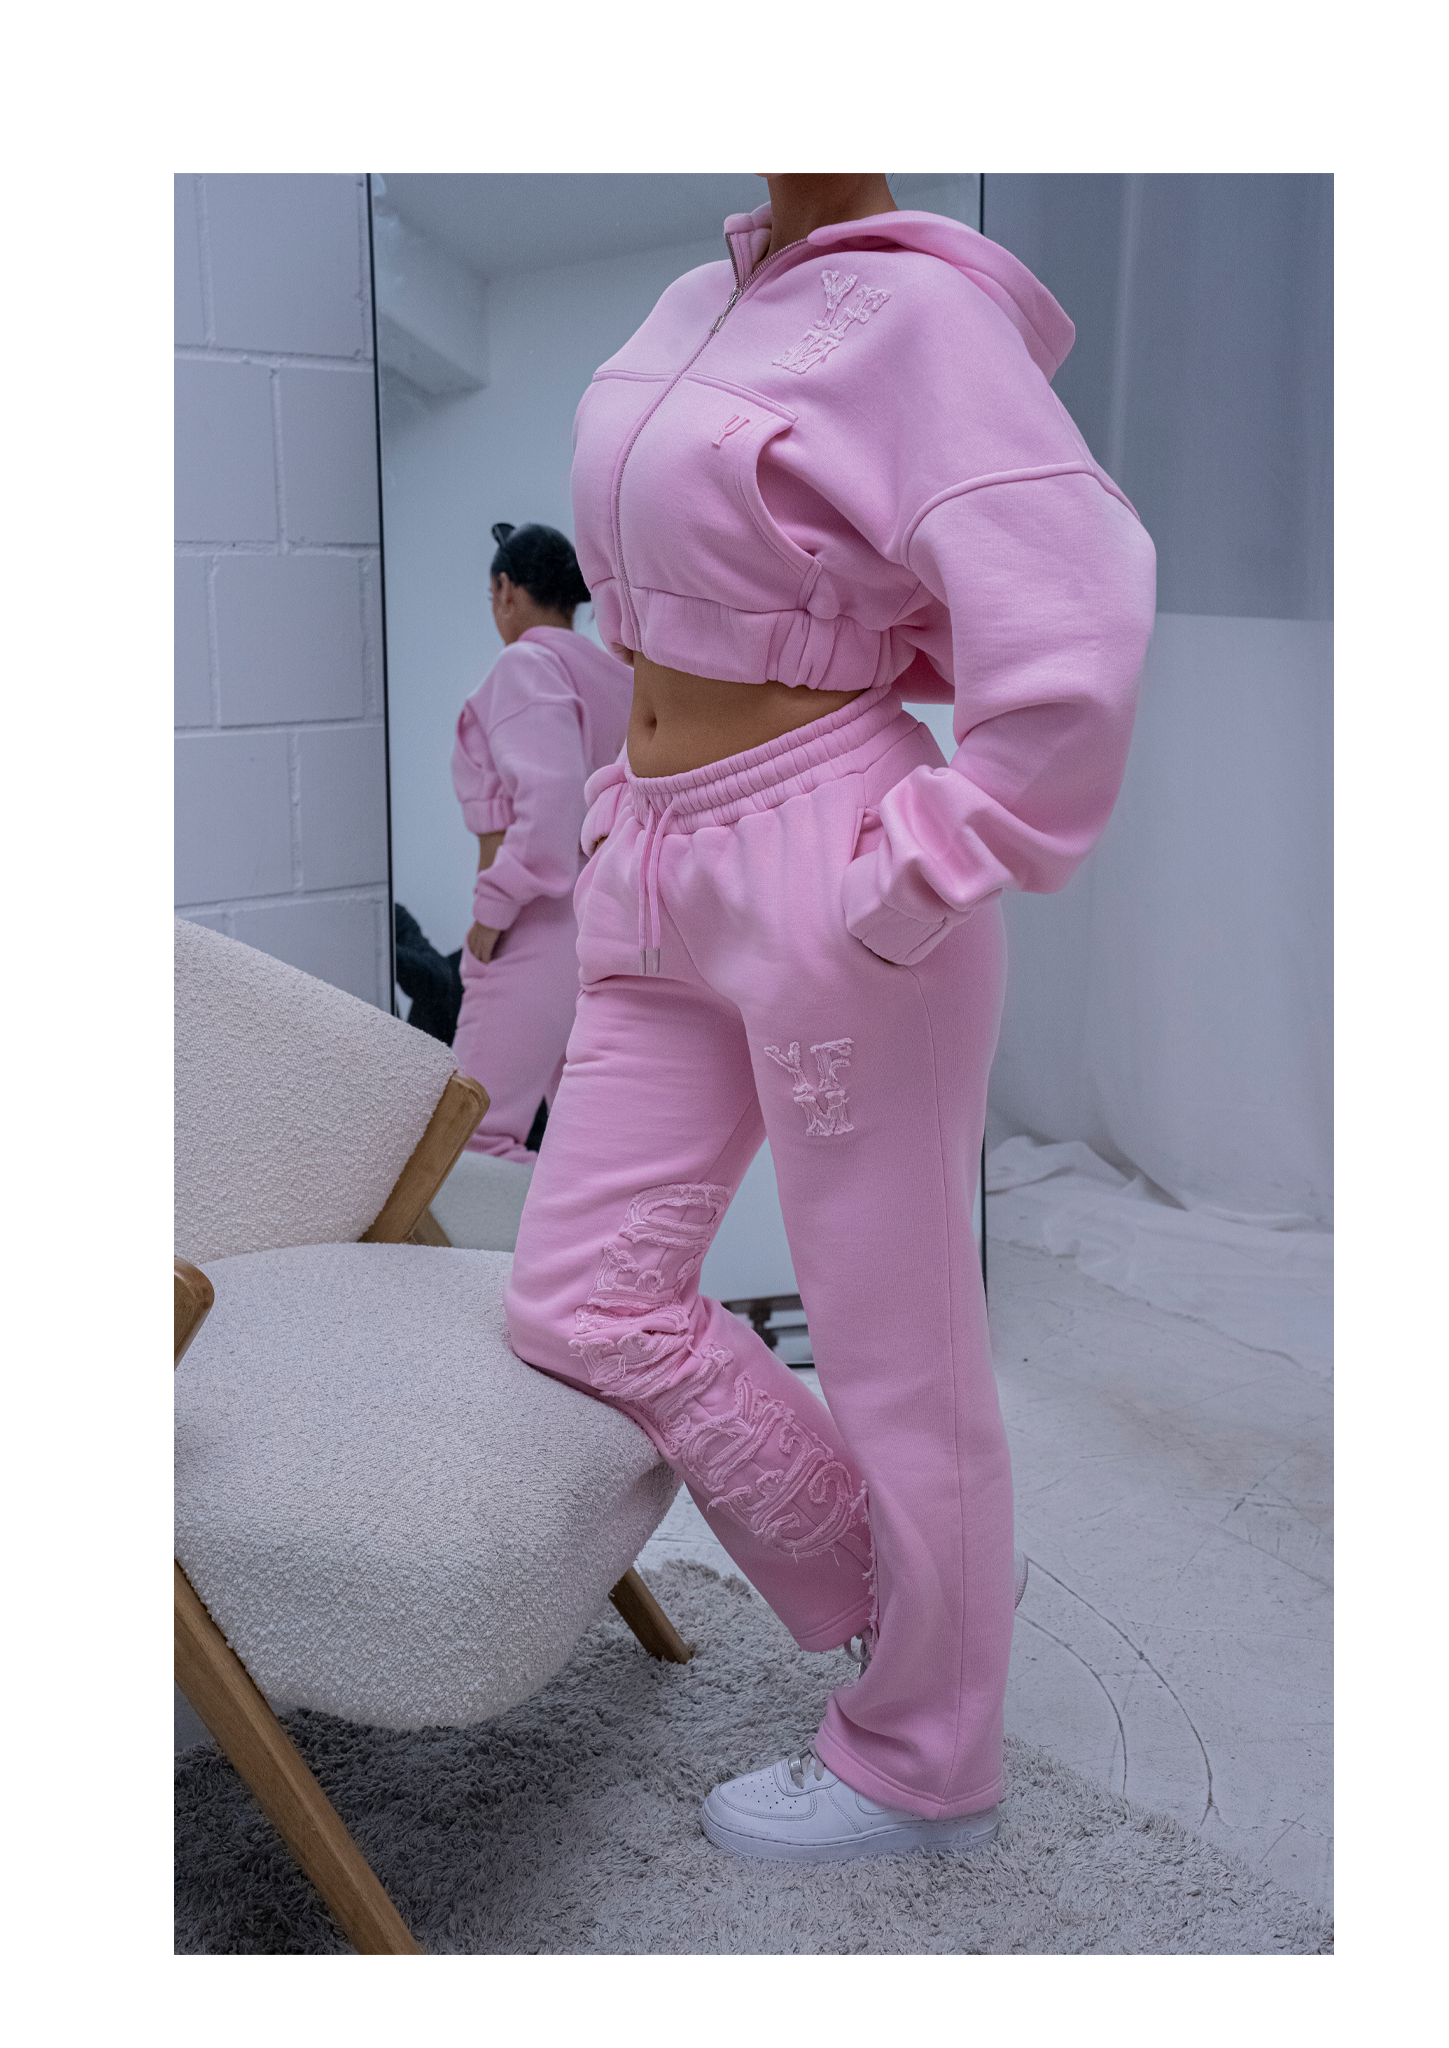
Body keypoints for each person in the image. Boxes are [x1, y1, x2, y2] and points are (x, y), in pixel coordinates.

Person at [504, 173, 1156, 1861]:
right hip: (652, 855)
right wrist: (613, 821)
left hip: (829, 853)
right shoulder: (690, 300)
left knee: (897, 1348)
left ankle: (928, 1760)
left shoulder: (927, 311)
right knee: (580, 1294)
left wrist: (928, 867)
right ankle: (910, 1587)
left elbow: (1078, 598)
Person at [450, 523, 632, 1159]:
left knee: (468, 1140)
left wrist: (491, 913)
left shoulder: (525, 664)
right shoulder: (616, 677)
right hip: (601, 923)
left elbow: (551, 808)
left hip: (532, 926)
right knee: (588, 1151)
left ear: (507, 589)